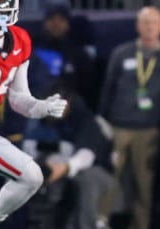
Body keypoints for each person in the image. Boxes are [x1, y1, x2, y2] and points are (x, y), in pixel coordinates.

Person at [0, 0, 68, 228]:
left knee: (32, 176)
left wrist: (43, 107)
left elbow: (18, 99)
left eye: (5, 1)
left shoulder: (20, 40)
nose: (2, 9)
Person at [98, 6, 160, 229]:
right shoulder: (121, 53)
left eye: (153, 22)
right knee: (108, 179)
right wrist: (104, 122)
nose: (149, 27)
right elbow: (108, 89)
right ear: (137, 26)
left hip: (149, 131)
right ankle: (100, 222)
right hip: (118, 127)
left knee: (144, 186)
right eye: (145, 22)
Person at [22, 89, 114, 229]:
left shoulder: (85, 119)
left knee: (86, 177)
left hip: (98, 177)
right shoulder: (36, 119)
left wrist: (64, 168)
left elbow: (87, 155)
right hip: (46, 170)